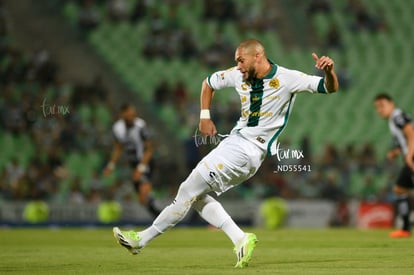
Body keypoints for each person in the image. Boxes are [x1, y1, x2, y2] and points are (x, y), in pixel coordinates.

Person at [113, 39, 338, 268]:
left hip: (247, 149)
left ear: (258, 56)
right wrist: (204, 116)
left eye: (241, 60)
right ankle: (240, 238)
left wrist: (329, 72)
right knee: (195, 196)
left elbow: (329, 87)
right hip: (237, 146)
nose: (238, 66)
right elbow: (208, 83)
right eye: (236, 61)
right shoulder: (239, 75)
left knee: (187, 190)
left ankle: (141, 240)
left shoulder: (289, 79)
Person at [104, 103, 160, 217]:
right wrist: (111, 165)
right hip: (133, 164)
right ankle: (158, 215)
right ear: (122, 115)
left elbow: (149, 149)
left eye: (133, 114)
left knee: (144, 192)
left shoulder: (140, 125)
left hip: (145, 161)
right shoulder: (117, 128)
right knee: (142, 200)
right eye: (129, 115)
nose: (132, 117)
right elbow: (118, 148)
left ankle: (162, 219)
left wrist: (141, 168)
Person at [374, 94, 414, 238]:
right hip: (409, 157)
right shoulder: (393, 119)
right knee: (399, 189)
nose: (380, 109)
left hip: (412, 157)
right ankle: (404, 228)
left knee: (399, 190)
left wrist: (409, 155)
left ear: (392, 103)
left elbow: (411, 134)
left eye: (382, 105)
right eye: (377, 107)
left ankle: (405, 228)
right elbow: (404, 138)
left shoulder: (397, 117)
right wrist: (396, 151)